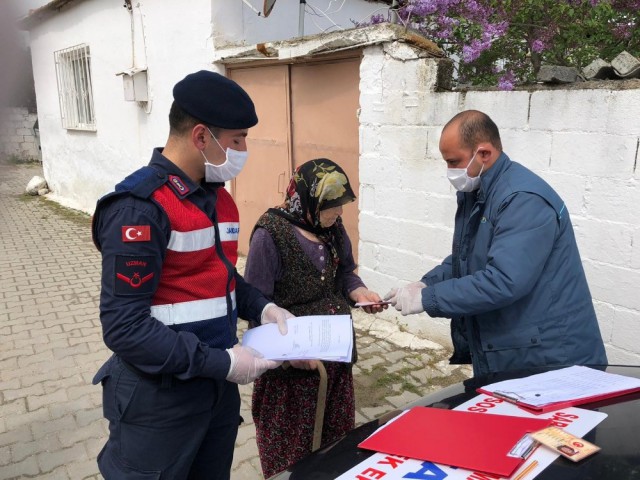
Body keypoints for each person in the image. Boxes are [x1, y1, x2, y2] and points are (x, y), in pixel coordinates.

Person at [91, 70, 294, 480]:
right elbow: (124, 328)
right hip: (159, 399)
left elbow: (218, 276)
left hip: (215, 391)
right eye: (237, 140)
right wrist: (222, 362)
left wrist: (264, 306)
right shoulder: (141, 208)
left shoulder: (216, 199)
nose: (243, 150)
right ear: (202, 137)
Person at [385, 110, 607, 377]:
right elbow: (468, 259)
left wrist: (428, 299)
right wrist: (426, 283)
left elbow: (503, 280)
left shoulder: (522, 199)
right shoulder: (480, 192)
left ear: (484, 154)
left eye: (454, 161)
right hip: (515, 348)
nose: (450, 171)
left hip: (550, 358)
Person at [244, 158, 386, 478]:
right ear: (309, 199)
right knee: (292, 454)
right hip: (290, 376)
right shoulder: (271, 235)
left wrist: (359, 291)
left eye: (341, 206)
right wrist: (287, 352)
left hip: (334, 364)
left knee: (335, 448)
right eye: (332, 206)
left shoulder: (330, 228)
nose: (339, 214)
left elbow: (346, 272)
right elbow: (255, 305)